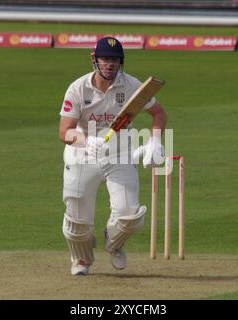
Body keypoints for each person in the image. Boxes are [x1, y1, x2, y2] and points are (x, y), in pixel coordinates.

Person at [58, 36, 167, 275]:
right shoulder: (78, 88)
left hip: (119, 154)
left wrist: (156, 140)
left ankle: (113, 241)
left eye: (115, 60)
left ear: (121, 62)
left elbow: (158, 113)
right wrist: (86, 141)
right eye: (105, 59)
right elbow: (64, 132)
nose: (110, 64)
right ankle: (81, 260)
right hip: (82, 155)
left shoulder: (131, 85)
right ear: (94, 60)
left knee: (130, 216)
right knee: (77, 222)